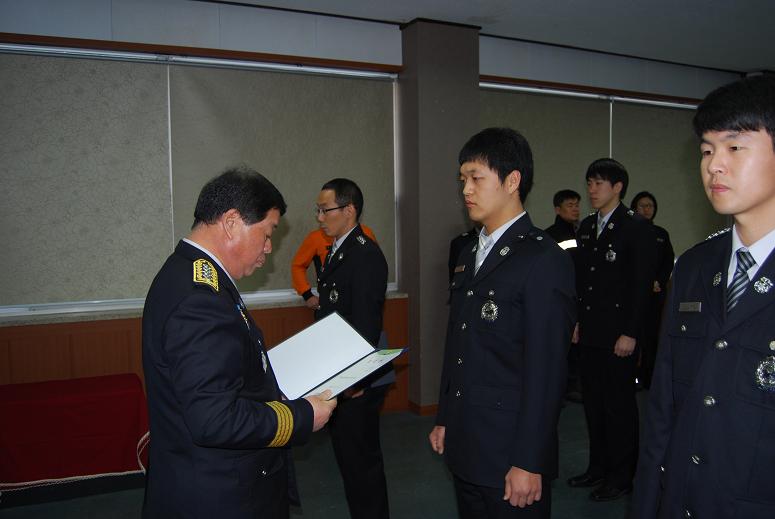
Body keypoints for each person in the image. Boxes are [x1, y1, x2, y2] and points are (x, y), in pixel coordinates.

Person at [141, 167, 337, 519]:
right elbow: (215, 419)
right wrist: (303, 416)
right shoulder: (200, 298)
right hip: (221, 495)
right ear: (231, 222)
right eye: (267, 233)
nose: (269, 247)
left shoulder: (191, 274)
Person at [633, 75, 775, 519]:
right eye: (707, 150)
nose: (714, 165)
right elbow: (663, 406)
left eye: (735, 147)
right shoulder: (694, 266)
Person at [430, 127, 576, 518]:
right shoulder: (468, 253)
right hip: (467, 439)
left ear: (512, 181)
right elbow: (459, 344)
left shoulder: (544, 259)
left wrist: (530, 460)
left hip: (510, 451)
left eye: (476, 178)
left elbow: (548, 371)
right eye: (462, 179)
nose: (466, 189)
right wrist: (445, 418)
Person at [568, 158, 655, 501]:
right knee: (593, 404)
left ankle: (621, 476)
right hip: (591, 331)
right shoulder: (588, 227)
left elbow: (640, 285)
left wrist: (631, 332)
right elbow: (584, 281)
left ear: (617, 187)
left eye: (599, 183)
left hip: (620, 335)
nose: (592, 190)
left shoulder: (636, 227)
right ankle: (598, 467)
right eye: (589, 183)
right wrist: (577, 321)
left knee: (618, 407)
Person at [314, 178, 391, 519]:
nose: (320, 218)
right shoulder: (338, 251)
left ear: (349, 210)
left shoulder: (365, 254)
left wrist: (355, 379)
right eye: (318, 210)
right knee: (349, 462)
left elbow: (366, 324)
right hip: (338, 375)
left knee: (362, 466)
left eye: (325, 210)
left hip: (355, 382)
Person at [629, 191, 675, 389]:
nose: (647, 209)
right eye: (643, 206)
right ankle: (631, 376)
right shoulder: (629, 231)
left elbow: (668, 261)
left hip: (655, 293)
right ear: (634, 208)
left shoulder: (661, 234)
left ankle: (649, 378)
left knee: (652, 336)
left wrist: (659, 281)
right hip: (632, 294)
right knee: (632, 334)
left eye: (650, 206)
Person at [545, 189, 583, 403]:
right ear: (558, 209)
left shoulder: (582, 232)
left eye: (577, 204)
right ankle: (562, 389)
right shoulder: (551, 235)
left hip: (579, 297)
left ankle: (574, 385)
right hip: (561, 299)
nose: (575, 209)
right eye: (570, 205)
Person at [291, 225, 377, 309]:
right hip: (330, 299)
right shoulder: (316, 237)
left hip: (363, 298)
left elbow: (376, 264)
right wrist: (307, 295)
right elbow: (298, 266)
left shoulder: (365, 232)